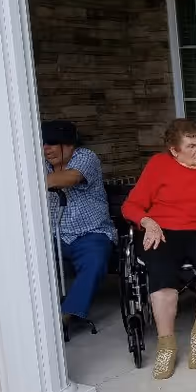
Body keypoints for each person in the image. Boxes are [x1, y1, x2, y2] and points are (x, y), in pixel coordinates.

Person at [122, 119, 196, 380]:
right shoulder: (158, 165)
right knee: (161, 270)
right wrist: (147, 221)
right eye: (192, 146)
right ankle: (167, 345)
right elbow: (131, 206)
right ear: (174, 150)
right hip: (163, 231)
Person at [42, 120, 117, 334]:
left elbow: (70, 178)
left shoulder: (85, 157)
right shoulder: (41, 163)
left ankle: (68, 314)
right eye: (44, 144)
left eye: (53, 143)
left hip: (91, 232)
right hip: (55, 234)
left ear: (69, 145)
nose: (47, 149)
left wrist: (29, 180)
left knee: (94, 260)